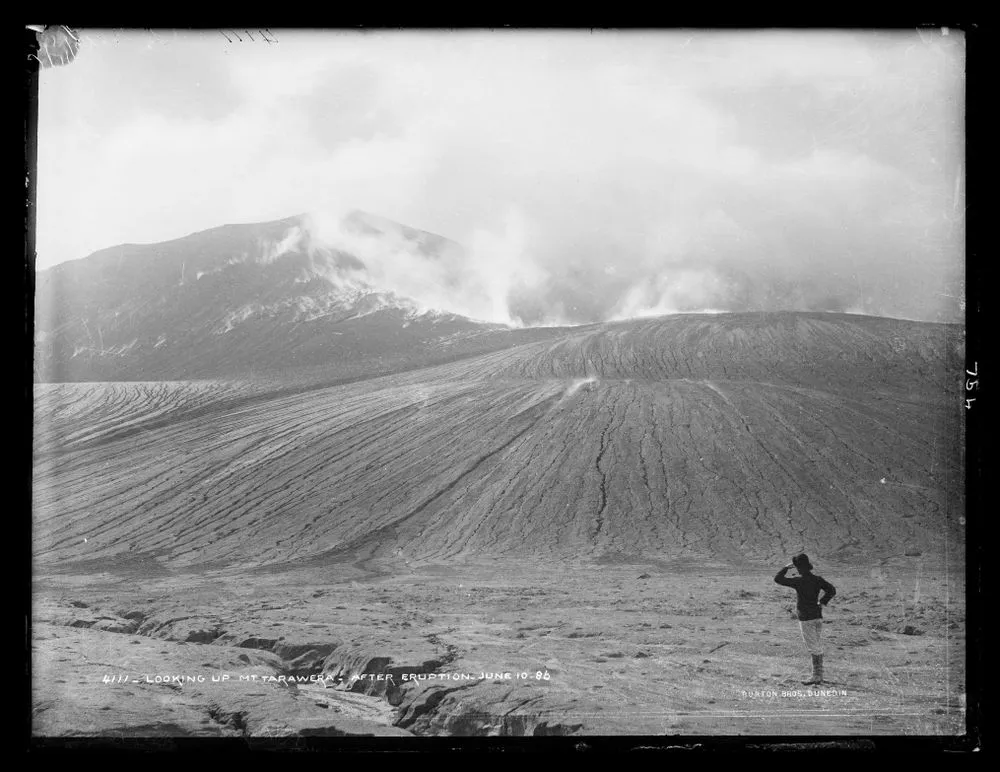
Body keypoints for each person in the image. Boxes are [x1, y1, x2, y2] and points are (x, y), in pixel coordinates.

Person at [774, 553, 836, 685]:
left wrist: (786, 568)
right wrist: (823, 602)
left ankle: (817, 676)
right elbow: (831, 590)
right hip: (817, 616)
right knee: (817, 645)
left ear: (798, 568)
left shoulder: (798, 581)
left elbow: (778, 579)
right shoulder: (817, 579)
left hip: (806, 618)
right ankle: (819, 675)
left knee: (814, 647)